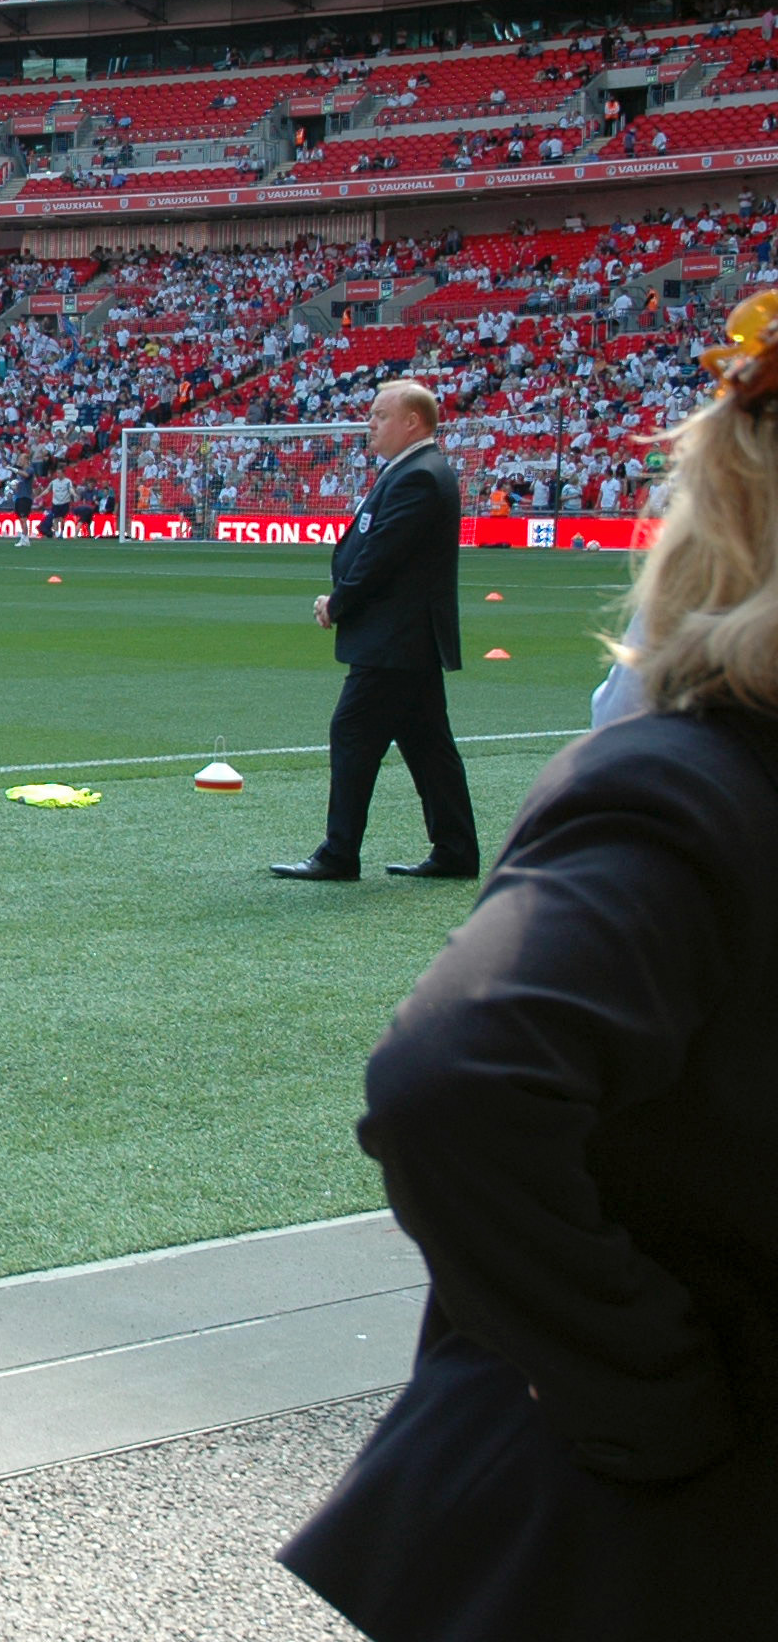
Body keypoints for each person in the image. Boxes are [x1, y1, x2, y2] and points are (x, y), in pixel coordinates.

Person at [279, 291, 778, 1639]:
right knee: (407, 767)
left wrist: (648, 1392)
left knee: (390, 761)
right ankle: (384, 842)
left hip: (650, 1536)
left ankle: (361, 845)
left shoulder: (684, 792)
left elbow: (453, 1083)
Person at [273, 380, 478, 882]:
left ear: (412, 422)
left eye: (380, 416)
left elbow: (381, 556)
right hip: (407, 640)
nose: (370, 424)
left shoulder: (420, 477)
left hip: (396, 640)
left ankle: (340, 853)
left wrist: (338, 603)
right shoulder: (414, 471)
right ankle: (455, 850)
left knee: (353, 733)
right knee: (429, 744)